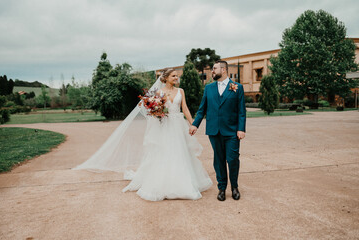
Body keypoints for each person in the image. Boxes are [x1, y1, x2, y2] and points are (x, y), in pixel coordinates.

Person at [74, 68, 212, 201]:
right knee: (163, 152)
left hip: (177, 125)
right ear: (166, 78)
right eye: (173, 76)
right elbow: (149, 110)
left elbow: (185, 109)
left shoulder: (181, 91)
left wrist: (192, 124)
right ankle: (163, 184)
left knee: (181, 152)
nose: (177, 78)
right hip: (164, 126)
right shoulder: (158, 92)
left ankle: (184, 182)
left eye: (177, 76)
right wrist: (156, 111)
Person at [189, 60, 246, 201]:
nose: (212, 71)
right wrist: (195, 124)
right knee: (218, 160)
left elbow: (241, 111)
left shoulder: (237, 87)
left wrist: (241, 129)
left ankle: (234, 187)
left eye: (214, 68)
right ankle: (221, 188)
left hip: (232, 131)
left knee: (232, 159)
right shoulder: (209, 88)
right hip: (214, 131)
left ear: (224, 70)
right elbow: (202, 109)